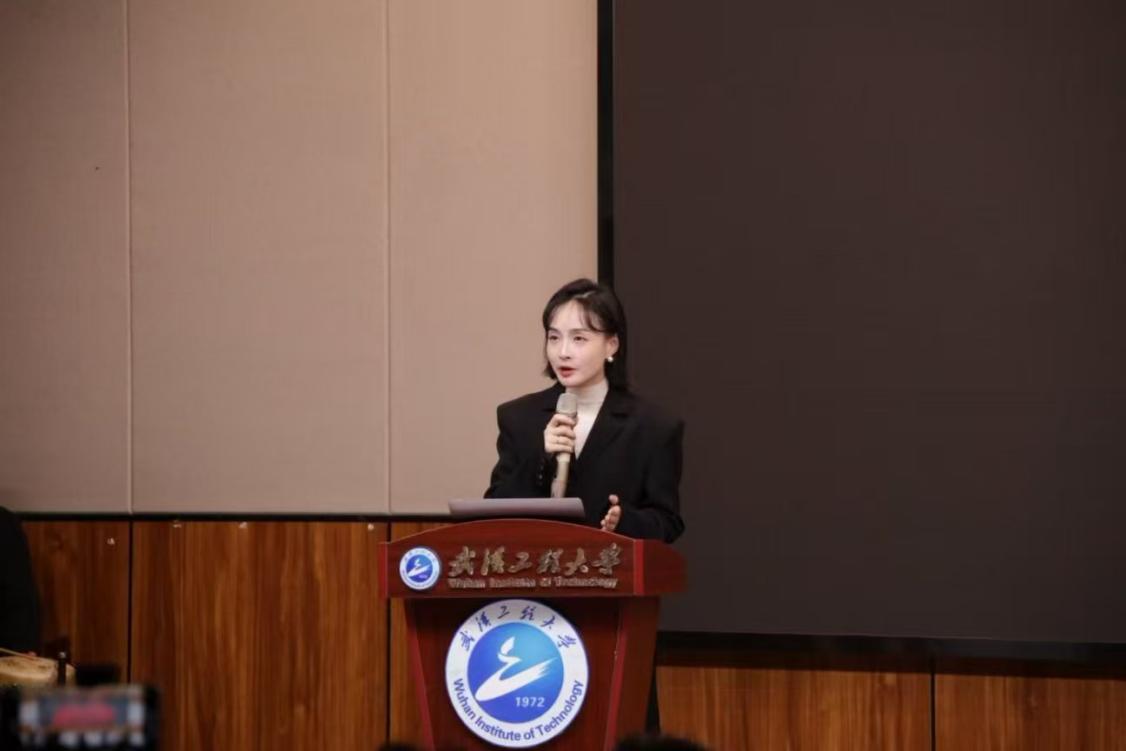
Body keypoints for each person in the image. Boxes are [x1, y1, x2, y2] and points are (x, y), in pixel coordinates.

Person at [485, 278, 684, 543]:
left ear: (611, 345)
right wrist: (540, 457)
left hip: (608, 566)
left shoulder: (653, 426)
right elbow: (494, 508)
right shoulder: (518, 417)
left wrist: (623, 521)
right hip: (535, 565)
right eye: (554, 338)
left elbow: (668, 522)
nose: (563, 352)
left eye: (578, 338)